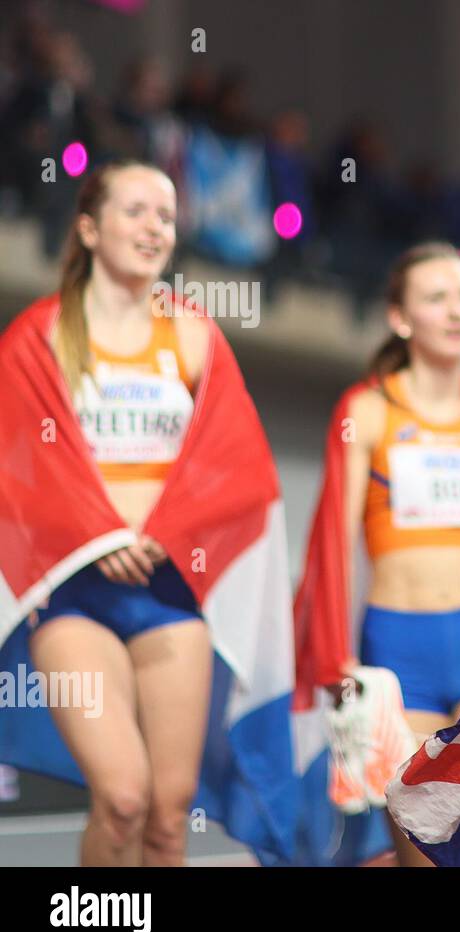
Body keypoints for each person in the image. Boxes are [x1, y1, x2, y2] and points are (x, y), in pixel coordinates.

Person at [0, 159, 296, 866]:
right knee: (124, 796)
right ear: (89, 227)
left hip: (170, 593)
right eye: (135, 211)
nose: (154, 227)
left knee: (167, 816)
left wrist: (170, 533)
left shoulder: (193, 334)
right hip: (73, 595)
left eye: (165, 215)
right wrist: (94, 536)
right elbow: (13, 471)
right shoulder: (39, 336)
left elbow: (238, 467)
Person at [294, 242, 460, 867]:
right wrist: (336, 655)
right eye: (436, 297)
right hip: (398, 655)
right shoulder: (365, 412)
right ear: (400, 317)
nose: (457, 311)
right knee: (419, 847)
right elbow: (331, 543)